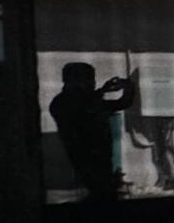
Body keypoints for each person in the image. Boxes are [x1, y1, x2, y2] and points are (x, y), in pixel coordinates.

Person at [50, 60, 134, 202]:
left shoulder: (77, 101)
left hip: (100, 162)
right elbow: (82, 107)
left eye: (92, 80)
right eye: (88, 80)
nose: (93, 84)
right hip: (88, 162)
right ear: (75, 82)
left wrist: (127, 88)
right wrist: (103, 91)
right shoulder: (62, 103)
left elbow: (121, 103)